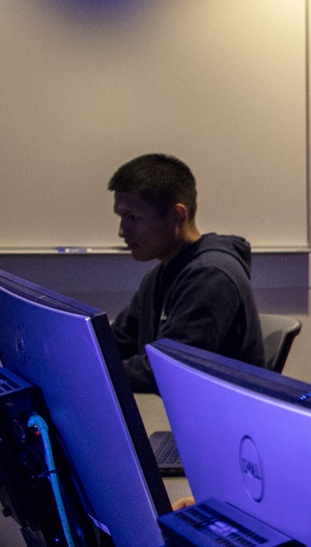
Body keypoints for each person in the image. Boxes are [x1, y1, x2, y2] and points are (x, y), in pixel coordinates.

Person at [108, 153, 262, 391]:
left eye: (133, 218)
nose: (122, 231)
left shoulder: (211, 276)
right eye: (121, 217)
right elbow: (116, 342)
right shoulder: (159, 275)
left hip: (221, 424)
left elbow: (168, 369)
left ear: (177, 215)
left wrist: (90, 375)